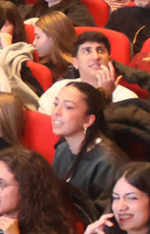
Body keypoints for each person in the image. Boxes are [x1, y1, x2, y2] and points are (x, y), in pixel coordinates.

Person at [51, 81, 127, 217]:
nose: (56, 112)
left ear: (88, 121)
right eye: (56, 104)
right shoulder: (62, 149)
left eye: (68, 107)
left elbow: (104, 217)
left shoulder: (108, 162)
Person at [37, 32, 137, 114]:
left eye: (100, 50)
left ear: (110, 60)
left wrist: (106, 97)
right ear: (75, 63)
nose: (96, 57)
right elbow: (44, 124)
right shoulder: (59, 88)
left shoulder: (126, 98)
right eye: (87, 51)